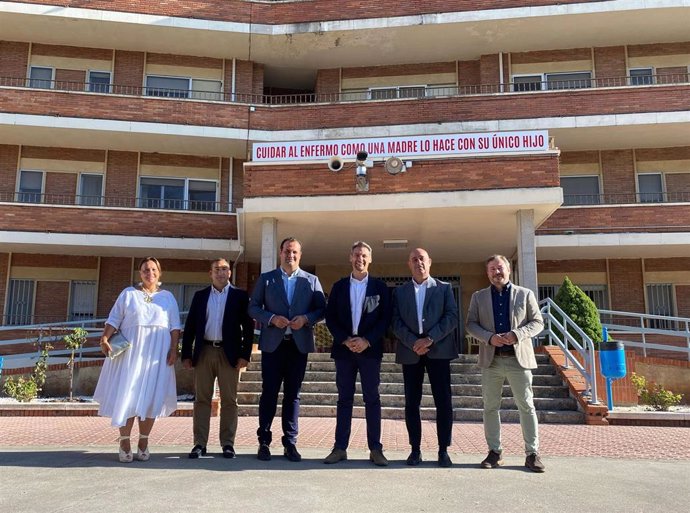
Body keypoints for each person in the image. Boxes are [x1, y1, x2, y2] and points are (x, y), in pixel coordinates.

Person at [94, 257, 180, 463]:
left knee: (152, 397)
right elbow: (114, 319)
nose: (149, 273)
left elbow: (175, 326)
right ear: (140, 273)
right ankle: (124, 441)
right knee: (128, 395)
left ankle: (143, 441)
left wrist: (173, 349)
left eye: (153, 269)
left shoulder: (168, 297)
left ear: (159, 273)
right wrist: (105, 337)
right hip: (131, 354)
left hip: (157, 356)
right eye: (145, 270)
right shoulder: (128, 294)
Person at [466, 254, 546, 473]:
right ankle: (495, 451)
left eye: (500, 268)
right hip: (491, 361)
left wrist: (517, 334)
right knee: (490, 407)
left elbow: (538, 322)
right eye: (492, 269)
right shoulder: (478, 297)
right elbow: (470, 324)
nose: (496, 272)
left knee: (526, 406)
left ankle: (532, 454)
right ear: (487, 273)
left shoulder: (525, 294)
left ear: (508, 270)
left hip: (519, 361)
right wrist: (488, 337)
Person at [249, 237, 326, 462]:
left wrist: (306, 318)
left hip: (298, 346)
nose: (290, 256)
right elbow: (253, 308)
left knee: (293, 395)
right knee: (269, 393)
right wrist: (271, 318)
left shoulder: (311, 281)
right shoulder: (267, 279)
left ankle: (290, 443)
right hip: (273, 346)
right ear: (280, 253)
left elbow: (322, 309)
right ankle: (264, 441)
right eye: (286, 252)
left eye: (294, 252)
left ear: (300, 255)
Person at [323, 241, 392, 466]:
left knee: (372, 399)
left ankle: (375, 449)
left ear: (370, 259)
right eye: (356, 255)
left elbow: (385, 320)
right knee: (344, 399)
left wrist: (367, 340)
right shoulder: (339, 286)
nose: (359, 259)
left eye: (364, 255)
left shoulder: (380, 288)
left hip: (369, 352)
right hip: (344, 351)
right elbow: (330, 317)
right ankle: (340, 448)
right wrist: (345, 339)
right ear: (349, 258)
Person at [181, 258, 254, 459]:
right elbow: (190, 327)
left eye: (224, 269)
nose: (221, 273)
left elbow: (248, 328)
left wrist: (244, 355)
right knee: (202, 399)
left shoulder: (240, 296)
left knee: (230, 400)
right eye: (217, 269)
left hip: (228, 354)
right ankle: (199, 443)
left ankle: (228, 444)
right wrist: (186, 354)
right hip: (204, 351)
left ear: (229, 273)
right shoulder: (200, 296)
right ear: (210, 273)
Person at [392, 248, 459, 467]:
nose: (418, 262)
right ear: (408, 264)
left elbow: (451, 317)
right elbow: (395, 322)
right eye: (414, 259)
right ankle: (415, 450)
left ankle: (443, 450)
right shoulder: (399, 292)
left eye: (422, 258)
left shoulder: (444, 288)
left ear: (429, 262)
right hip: (410, 353)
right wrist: (413, 342)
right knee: (412, 403)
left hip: (438, 351)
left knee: (443, 402)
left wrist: (430, 339)